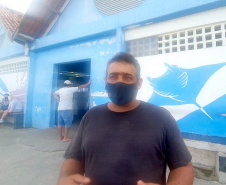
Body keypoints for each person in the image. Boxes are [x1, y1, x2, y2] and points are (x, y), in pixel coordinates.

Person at [57, 52, 194, 185]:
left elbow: (183, 167)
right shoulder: (91, 116)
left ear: (139, 83)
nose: (119, 82)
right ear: (106, 81)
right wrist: (66, 177)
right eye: (113, 77)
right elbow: (74, 158)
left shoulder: (162, 117)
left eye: (127, 77)